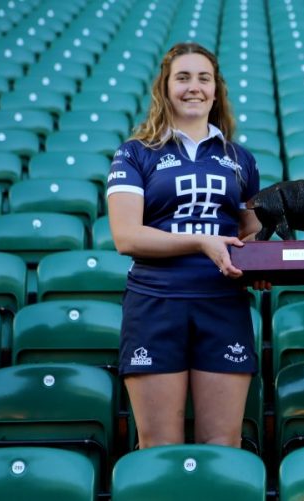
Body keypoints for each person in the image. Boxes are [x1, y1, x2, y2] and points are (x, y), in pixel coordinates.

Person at [106, 42, 263, 449]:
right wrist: (201, 241)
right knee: (158, 446)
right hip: (155, 304)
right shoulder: (135, 152)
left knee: (223, 445)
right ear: (165, 87)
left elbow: (252, 233)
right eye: (183, 77)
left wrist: (262, 266)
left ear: (216, 90)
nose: (194, 87)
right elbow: (125, 236)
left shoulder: (240, 158)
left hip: (223, 304)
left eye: (203, 78)